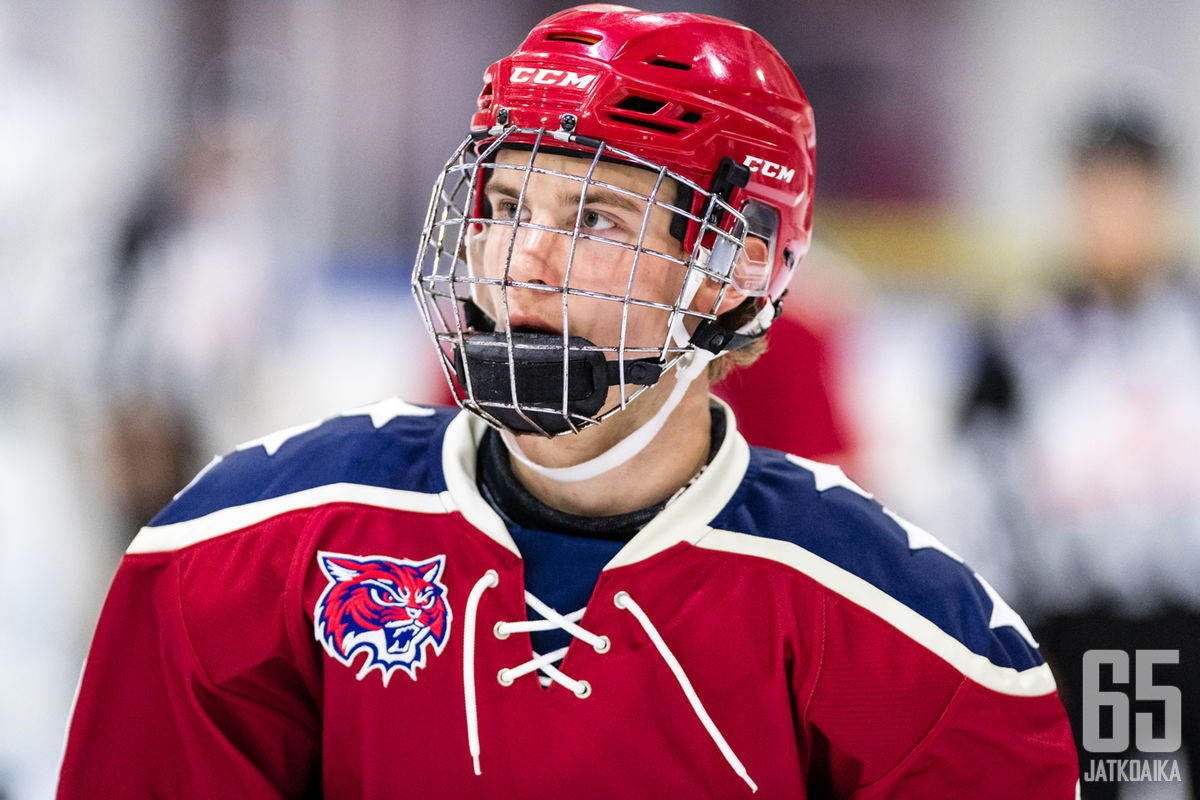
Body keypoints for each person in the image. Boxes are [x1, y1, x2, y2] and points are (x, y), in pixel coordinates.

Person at [59, 5, 1078, 797]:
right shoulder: (236, 556)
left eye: (593, 215)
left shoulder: (917, 648)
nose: (523, 258)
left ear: (732, 267)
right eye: (504, 206)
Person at [960, 102, 1200, 798]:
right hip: (1085, 628)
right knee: (1105, 782)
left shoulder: (1189, 326)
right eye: (1099, 190)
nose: (1114, 212)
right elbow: (983, 487)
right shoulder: (1023, 336)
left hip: (1189, 611)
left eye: (1132, 191)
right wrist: (1013, 632)